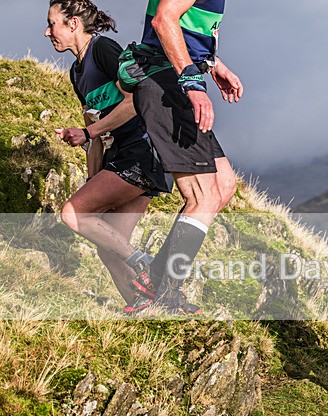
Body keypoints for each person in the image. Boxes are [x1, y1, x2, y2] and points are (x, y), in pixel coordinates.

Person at [46, 0, 172, 306]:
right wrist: (93, 180)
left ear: (73, 23)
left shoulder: (102, 49)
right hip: (121, 157)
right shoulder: (76, 73)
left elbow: (137, 99)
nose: (47, 32)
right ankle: (146, 309)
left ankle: (146, 265)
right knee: (108, 248)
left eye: (52, 24)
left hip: (145, 150)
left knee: (73, 213)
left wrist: (89, 132)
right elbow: (94, 133)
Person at [123, 0, 241, 315]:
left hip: (170, 82)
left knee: (223, 185)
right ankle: (167, 297)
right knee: (203, 196)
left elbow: (185, 26)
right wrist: (193, 82)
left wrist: (213, 63)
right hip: (167, 86)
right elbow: (164, 20)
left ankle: (154, 278)